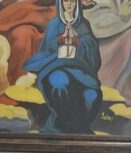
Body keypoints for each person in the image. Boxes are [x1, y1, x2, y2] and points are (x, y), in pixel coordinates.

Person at [23, 0, 103, 133]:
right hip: (55, 67)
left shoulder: (83, 25)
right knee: (59, 81)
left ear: (77, 3)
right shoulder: (54, 24)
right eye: (66, 1)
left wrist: (79, 42)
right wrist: (59, 42)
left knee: (92, 95)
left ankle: (73, 128)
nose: (69, 4)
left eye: (73, 1)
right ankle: (69, 128)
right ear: (61, 3)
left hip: (81, 72)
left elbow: (93, 55)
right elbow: (47, 50)